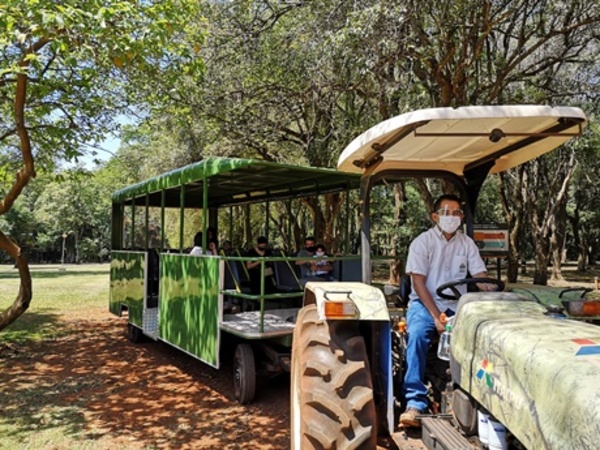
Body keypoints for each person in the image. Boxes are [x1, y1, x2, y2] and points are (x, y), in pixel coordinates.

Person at [400, 194, 490, 428]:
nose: (452, 217)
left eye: (456, 213)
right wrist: (434, 317)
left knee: (485, 337)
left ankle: (480, 396)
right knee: (418, 335)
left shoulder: (466, 243)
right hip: (425, 303)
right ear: (435, 216)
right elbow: (418, 283)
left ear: (461, 217)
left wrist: (493, 289)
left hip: (457, 305)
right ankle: (415, 402)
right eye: (446, 212)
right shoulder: (423, 242)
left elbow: (479, 276)